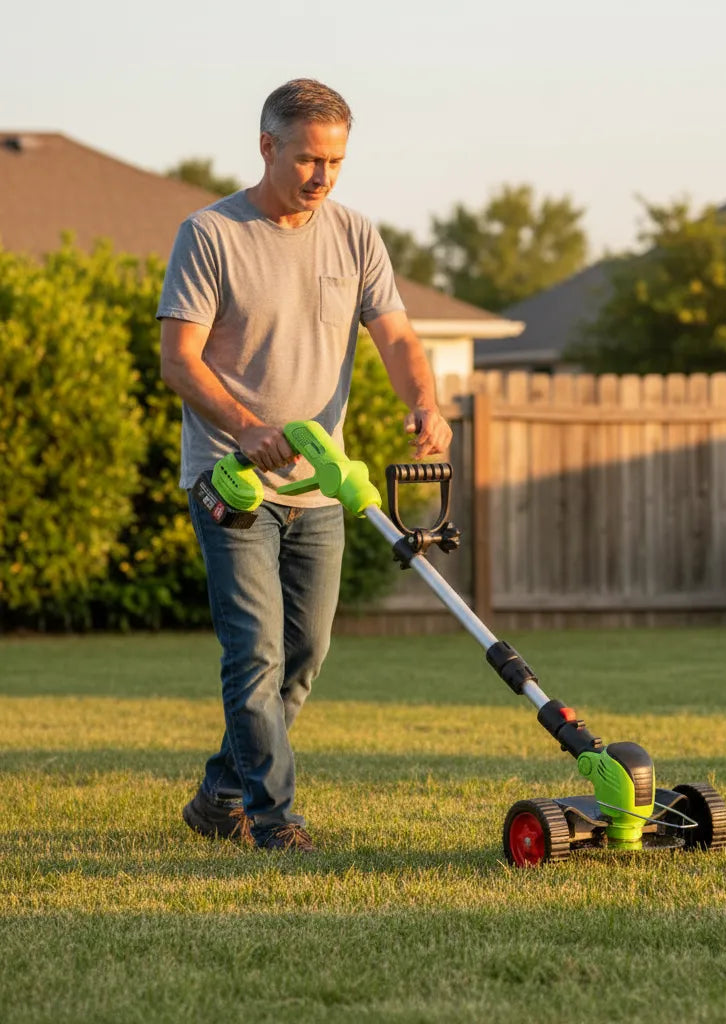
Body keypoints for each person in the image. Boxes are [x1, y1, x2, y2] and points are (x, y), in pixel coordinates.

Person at [157, 78, 452, 852]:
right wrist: (247, 427)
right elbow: (179, 361)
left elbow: (397, 339)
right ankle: (273, 817)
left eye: (336, 162)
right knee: (254, 650)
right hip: (233, 480)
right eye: (308, 160)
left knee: (303, 658)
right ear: (267, 147)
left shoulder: (354, 235)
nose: (322, 177)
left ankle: (220, 794)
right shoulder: (210, 233)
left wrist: (424, 400)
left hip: (319, 488)